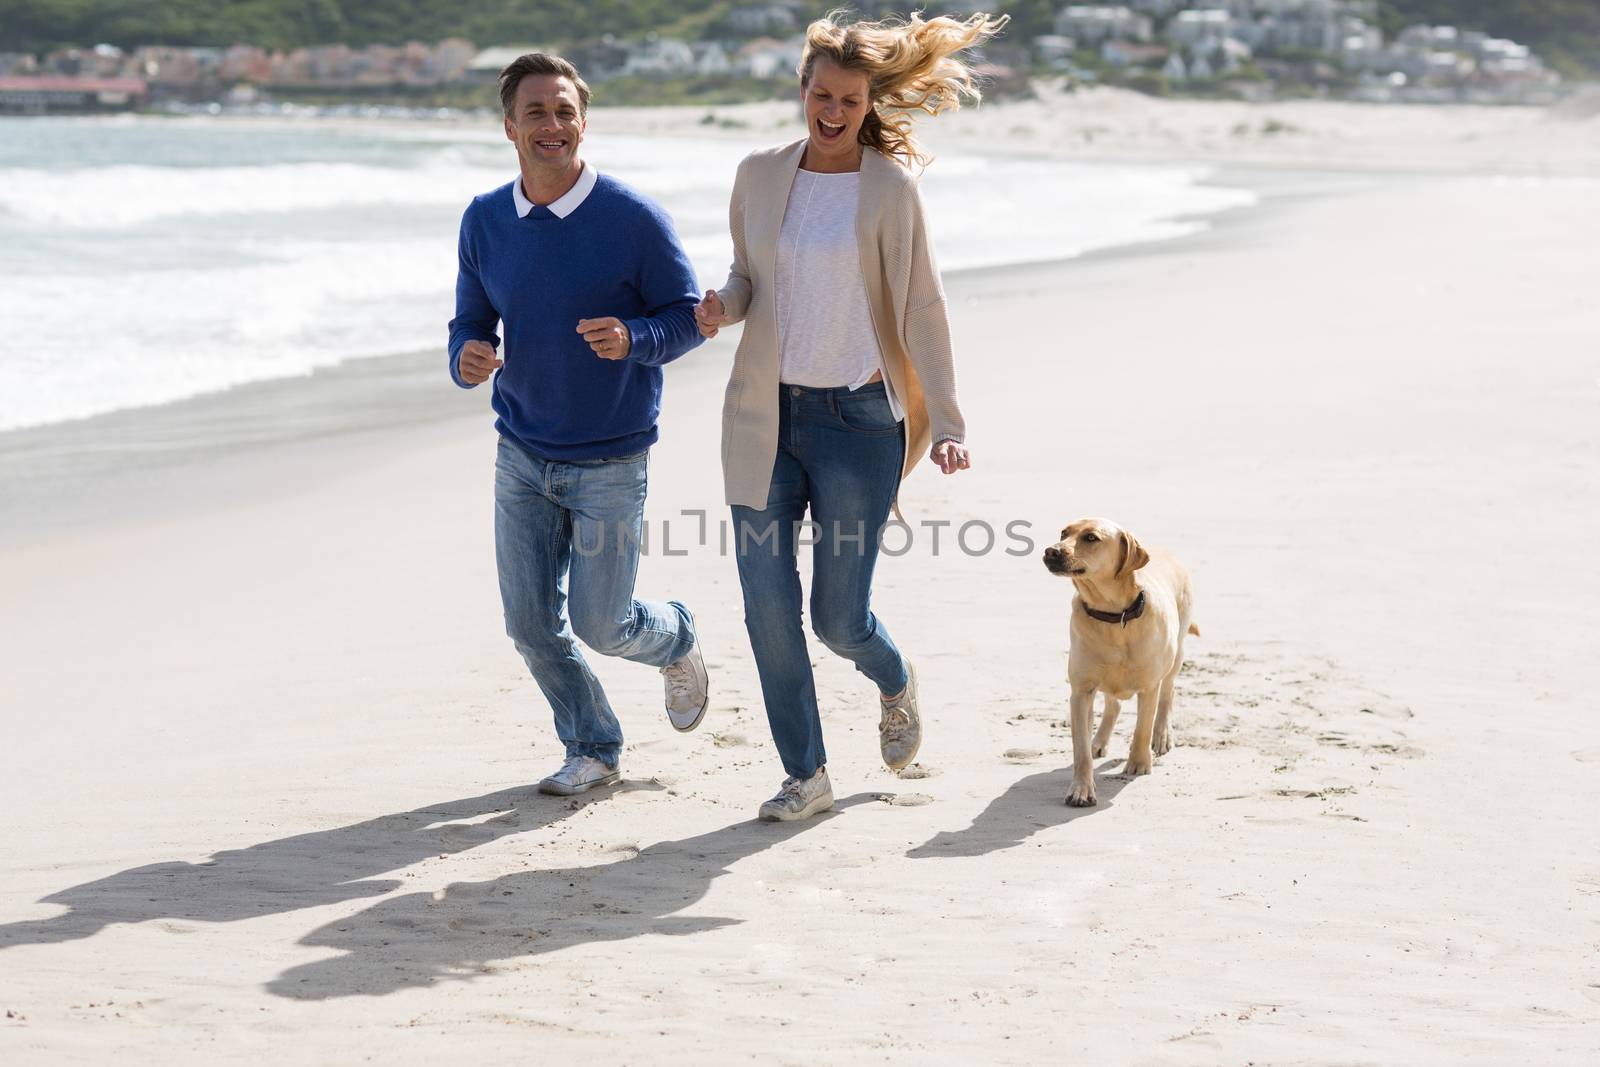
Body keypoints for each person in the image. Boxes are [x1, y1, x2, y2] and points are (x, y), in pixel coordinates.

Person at [695, 12, 1003, 821]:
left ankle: (893, 677)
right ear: (802, 90)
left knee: (837, 617)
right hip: (765, 417)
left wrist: (952, 422)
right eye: (822, 94)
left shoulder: (888, 189)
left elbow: (923, 306)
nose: (833, 111)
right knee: (768, 607)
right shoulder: (760, 174)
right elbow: (745, 275)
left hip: (860, 424)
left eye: (850, 99)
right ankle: (807, 775)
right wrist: (721, 306)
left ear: (870, 104)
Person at [449, 53, 709, 797]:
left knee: (604, 624)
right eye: (536, 112)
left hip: (610, 460)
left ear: (583, 122)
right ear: (510, 127)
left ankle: (678, 635)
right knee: (530, 626)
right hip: (522, 453)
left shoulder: (632, 219)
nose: (551, 125)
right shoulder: (485, 219)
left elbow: (686, 319)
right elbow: (470, 319)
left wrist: (635, 338)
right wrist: (463, 356)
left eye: (564, 111)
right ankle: (592, 745)